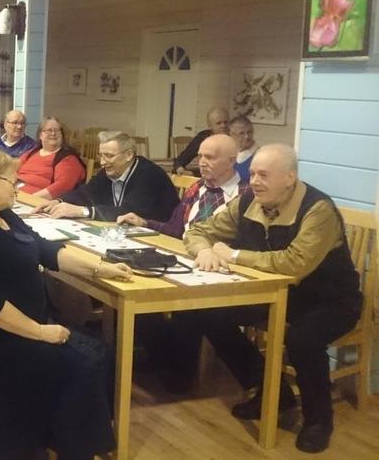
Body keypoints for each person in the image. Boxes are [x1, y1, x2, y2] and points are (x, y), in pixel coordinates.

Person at [0, 148, 132, 460]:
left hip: (25, 323)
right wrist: (41, 332)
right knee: (89, 360)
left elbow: (44, 249)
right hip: (2, 337)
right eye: (12, 181)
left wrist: (100, 268)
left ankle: (68, 442)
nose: (17, 187)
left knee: (98, 352)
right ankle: (72, 448)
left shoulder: (0, 213)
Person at [181, 144, 361, 453]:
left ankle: (319, 420)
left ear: (289, 178)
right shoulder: (248, 201)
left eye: (263, 175)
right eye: (252, 173)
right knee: (209, 311)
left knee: (303, 339)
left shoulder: (317, 209)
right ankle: (273, 392)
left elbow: (295, 263)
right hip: (274, 293)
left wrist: (234, 255)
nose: (254, 181)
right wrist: (205, 250)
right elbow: (198, 232)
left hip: (330, 299)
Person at [118, 134, 249, 238]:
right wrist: (144, 223)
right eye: (200, 156)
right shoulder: (196, 188)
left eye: (210, 157)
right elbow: (175, 230)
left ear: (231, 161)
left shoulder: (246, 195)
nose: (202, 163)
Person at [41, 131, 179, 221]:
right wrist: (58, 202)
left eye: (109, 156)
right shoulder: (110, 170)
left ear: (128, 155)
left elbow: (128, 212)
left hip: (162, 237)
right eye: (101, 156)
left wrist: (82, 211)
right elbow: (86, 192)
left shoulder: (149, 175)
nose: (102, 162)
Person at [16, 117, 85, 200]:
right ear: (40, 135)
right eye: (49, 130)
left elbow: (62, 187)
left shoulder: (68, 159)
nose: (53, 133)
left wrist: (29, 199)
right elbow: (12, 168)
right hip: (15, 194)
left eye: (57, 130)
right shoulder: (32, 152)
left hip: (37, 201)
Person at [174, 107, 229, 175]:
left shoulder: (236, 137)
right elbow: (182, 159)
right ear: (210, 126)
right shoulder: (203, 137)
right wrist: (180, 169)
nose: (223, 125)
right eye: (219, 123)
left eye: (226, 122)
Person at [229, 115, 258, 182]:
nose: (246, 136)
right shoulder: (227, 154)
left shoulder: (259, 155)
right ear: (231, 134)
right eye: (241, 133)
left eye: (249, 132)